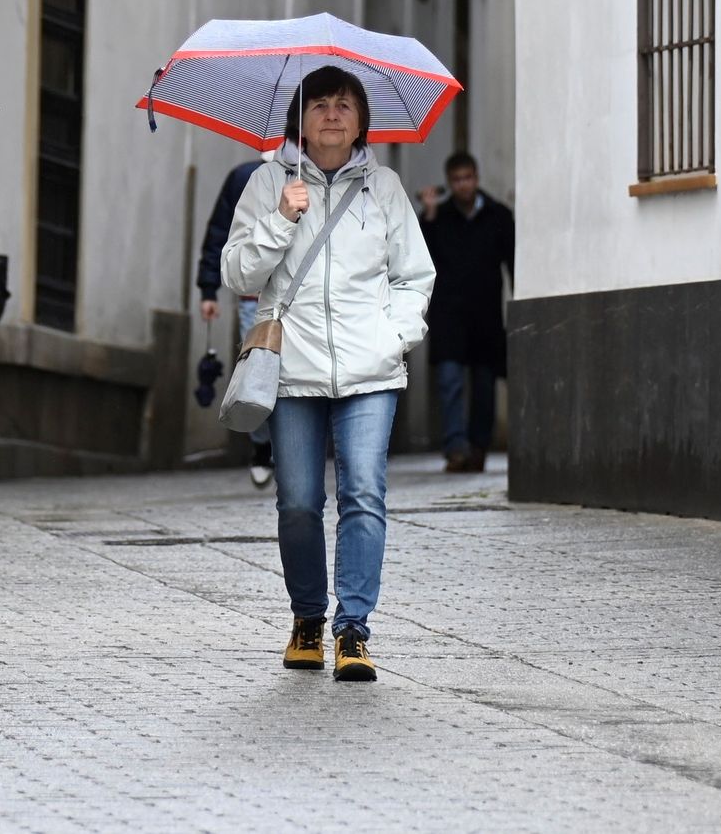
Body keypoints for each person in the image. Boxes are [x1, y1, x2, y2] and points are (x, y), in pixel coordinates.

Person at [222, 66, 435, 682]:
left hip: (371, 372)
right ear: (300, 118)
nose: (333, 115)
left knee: (364, 495)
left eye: (345, 105)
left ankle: (354, 630)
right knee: (297, 502)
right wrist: (282, 220)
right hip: (292, 370)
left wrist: (395, 338)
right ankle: (308, 619)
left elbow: (414, 276)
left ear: (362, 120)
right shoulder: (268, 185)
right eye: (320, 104)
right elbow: (237, 273)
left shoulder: (386, 189)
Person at [417, 152, 514, 474]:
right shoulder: (439, 217)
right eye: (457, 180)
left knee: (485, 386)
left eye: (468, 178)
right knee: (450, 382)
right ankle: (455, 447)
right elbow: (420, 259)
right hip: (449, 317)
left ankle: (478, 448)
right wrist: (428, 216)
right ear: (449, 182)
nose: (463, 185)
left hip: (486, 317)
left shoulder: (499, 216)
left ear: (477, 177)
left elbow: (513, 263)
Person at [197, 157, 274, 487]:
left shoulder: (316, 173)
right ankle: (262, 446)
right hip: (253, 299)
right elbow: (219, 232)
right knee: (256, 375)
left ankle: (291, 449)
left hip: (304, 299)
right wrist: (208, 289)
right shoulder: (244, 176)